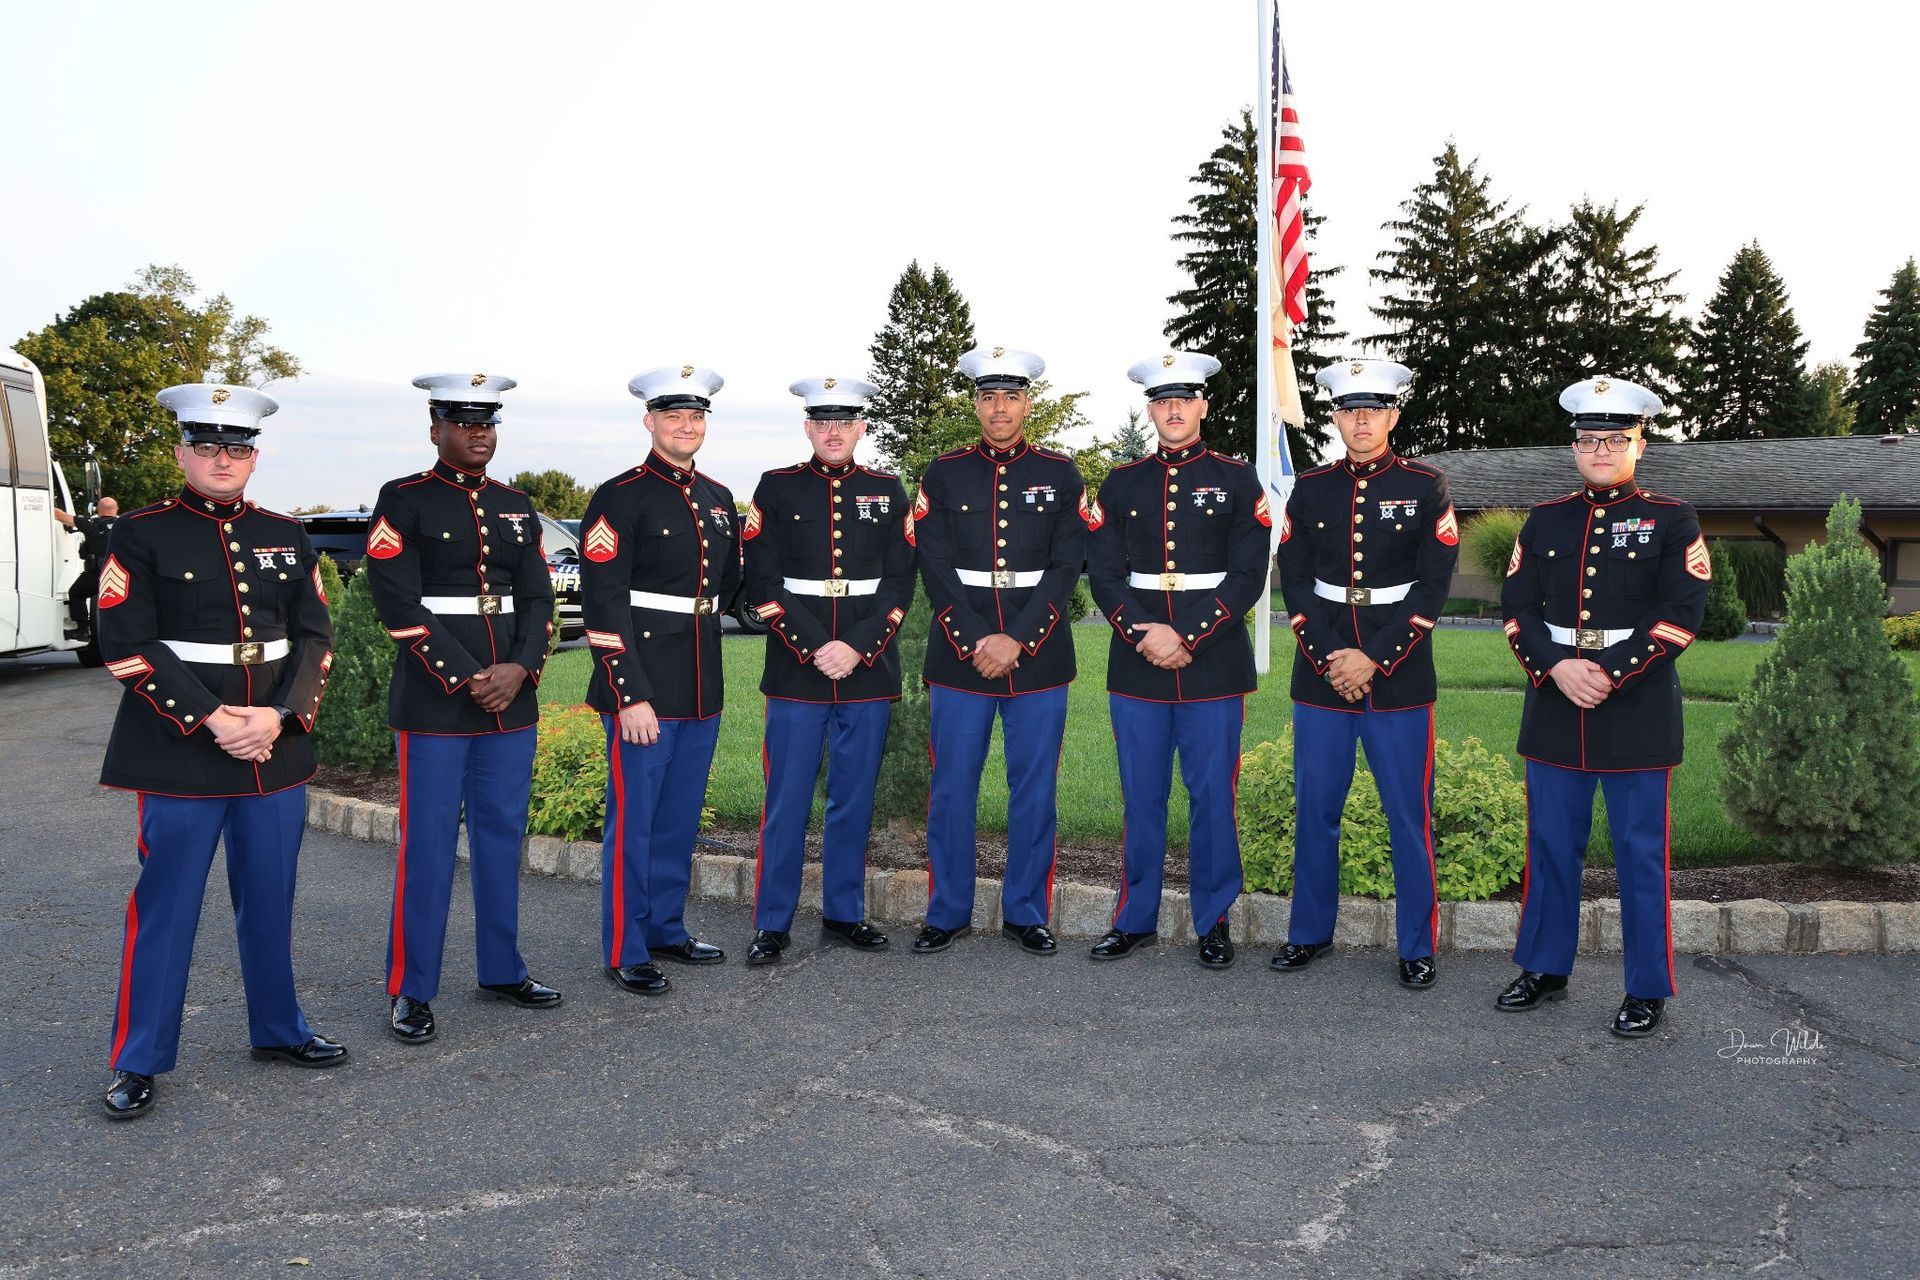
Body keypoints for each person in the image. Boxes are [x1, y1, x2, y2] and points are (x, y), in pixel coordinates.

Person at [95, 384, 343, 1119]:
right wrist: (210, 717)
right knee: (165, 908)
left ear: (254, 457)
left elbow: (315, 636)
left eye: (236, 447)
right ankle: (137, 1060)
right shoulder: (139, 534)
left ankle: (278, 1028)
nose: (222, 459)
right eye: (206, 446)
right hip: (179, 749)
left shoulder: (287, 534)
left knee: (270, 898)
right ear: (181, 453)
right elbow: (124, 643)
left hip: (272, 745)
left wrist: (278, 714)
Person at [1496, 376, 1709, 1038]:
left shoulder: (1673, 519)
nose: (1601, 449)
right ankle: (1544, 966)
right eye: (1590, 439)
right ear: (1575, 447)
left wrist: (1608, 674)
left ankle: (1647, 987)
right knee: (1552, 847)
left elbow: (1680, 616)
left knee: (1640, 856)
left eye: (1615, 439)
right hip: (1556, 704)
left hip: (1636, 709)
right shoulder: (1545, 518)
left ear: (1639, 445)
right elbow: (1516, 607)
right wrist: (1556, 667)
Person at [362, 372, 562, 1045]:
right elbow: (397, 604)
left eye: (487, 422)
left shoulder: (515, 503)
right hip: (435, 705)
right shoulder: (404, 500)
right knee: (427, 849)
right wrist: (468, 675)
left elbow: (539, 598)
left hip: (511, 702)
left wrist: (521, 668)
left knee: (503, 842)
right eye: (463, 421)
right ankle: (411, 989)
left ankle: (501, 968)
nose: (479, 432)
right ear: (435, 429)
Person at [1272, 359, 1458, 989]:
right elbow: (1294, 579)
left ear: (1392, 416)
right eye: (1349, 409)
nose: (1360, 420)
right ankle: (1309, 933)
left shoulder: (1427, 486)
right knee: (1316, 809)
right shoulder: (1311, 488)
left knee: (1407, 813)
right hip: (1320, 671)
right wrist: (1330, 655)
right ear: (1334, 417)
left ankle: (1415, 945)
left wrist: (1374, 657)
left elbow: (1432, 588)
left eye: (1372, 409)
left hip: (1398, 674)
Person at [1084, 351, 1268, 967]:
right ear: (1149, 409)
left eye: (1184, 399)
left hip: (1213, 661)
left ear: (1203, 406)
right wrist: (1145, 633)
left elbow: (1248, 574)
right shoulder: (1120, 482)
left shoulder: (1239, 480)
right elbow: (1103, 574)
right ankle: (1134, 917)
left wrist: (1187, 634)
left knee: (1213, 793)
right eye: (1162, 401)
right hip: (1137, 661)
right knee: (1141, 794)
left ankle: (1213, 919)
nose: (1173, 410)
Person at [912, 346, 1087, 955]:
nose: (999, 408)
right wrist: (976, 637)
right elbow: (933, 565)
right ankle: (947, 908)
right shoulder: (943, 473)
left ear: (1028, 403)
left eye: (1010, 396)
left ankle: (1025, 909)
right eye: (988, 397)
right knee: (953, 788)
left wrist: (1018, 637)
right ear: (976, 404)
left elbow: (1068, 566)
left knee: (1034, 789)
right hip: (961, 655)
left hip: (1037, 656)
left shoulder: (1063, 474)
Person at [737, 376, 917, 965]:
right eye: (822, 422)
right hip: (796, 669)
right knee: (786, 800)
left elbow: (899, 583)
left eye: (844, 422)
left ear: (862, 427)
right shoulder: (777, 487)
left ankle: (845, 912)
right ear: (808, 427)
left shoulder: (888, 490)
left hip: (866, 670)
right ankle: (772, 922)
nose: (833, 431)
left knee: (854, 797)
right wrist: (815, 647)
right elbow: (760, 583)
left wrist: (858, 647)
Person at [580, 365, 743, 994]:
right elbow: (603, 602)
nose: (686, 426)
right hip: (643, 685)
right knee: (636, 819)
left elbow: (730, 589)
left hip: (702, 678)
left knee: (678, 819)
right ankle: (625, 945)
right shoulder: (619, 496)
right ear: (649, 422)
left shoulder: (719, 498)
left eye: (696, 416)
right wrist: (629, 694)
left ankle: (666, 928)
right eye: (673, 415)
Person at [56, 496, 119, 623]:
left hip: (96, 574)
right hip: (120, 575)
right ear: (116, 509)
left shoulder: (89, 523)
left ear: (98, 510)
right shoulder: (125, 524)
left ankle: (82, 629)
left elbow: (59, 515)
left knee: (76, 593)